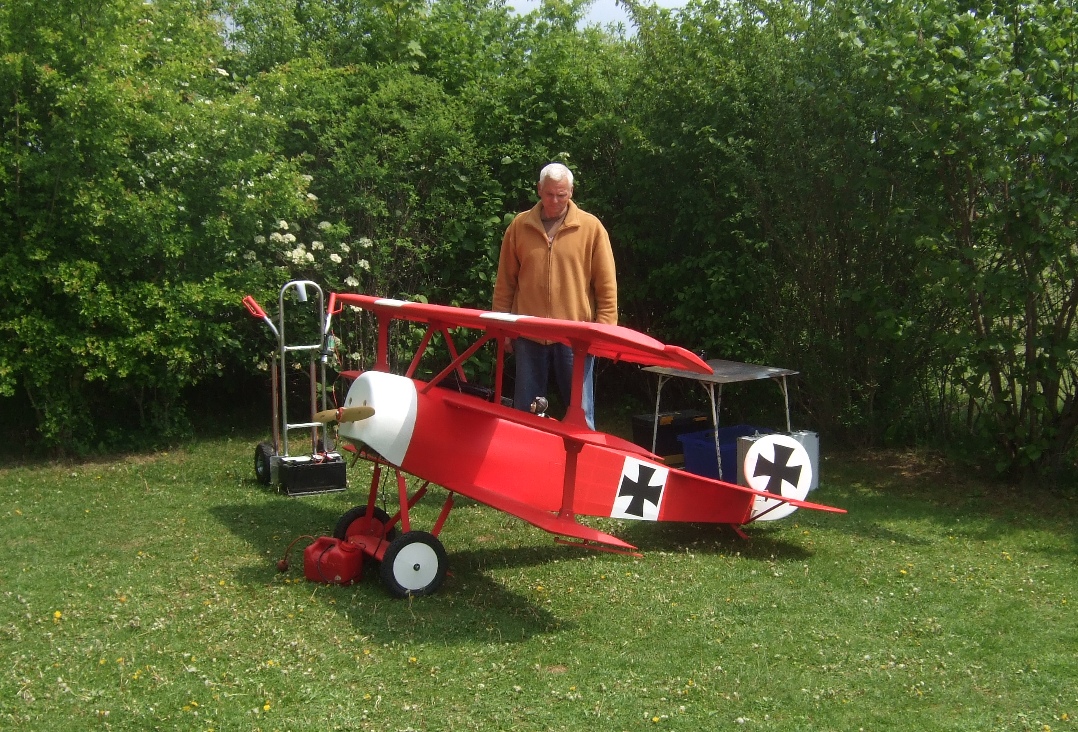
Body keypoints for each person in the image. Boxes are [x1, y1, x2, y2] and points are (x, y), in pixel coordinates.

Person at [492, 163, 617, 430]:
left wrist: (604, 333)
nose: (555, 200)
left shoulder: (591, 228)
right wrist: (502, 328)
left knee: (581, 414)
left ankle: (584, 455)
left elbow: (606, 287)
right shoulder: (519, 226)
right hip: (529, 333)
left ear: (571, 192)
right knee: (524, 414)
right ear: (539, 189)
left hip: (576, 337)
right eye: (549, 194)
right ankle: (524, 453)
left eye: (561, 194)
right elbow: (505, 282)